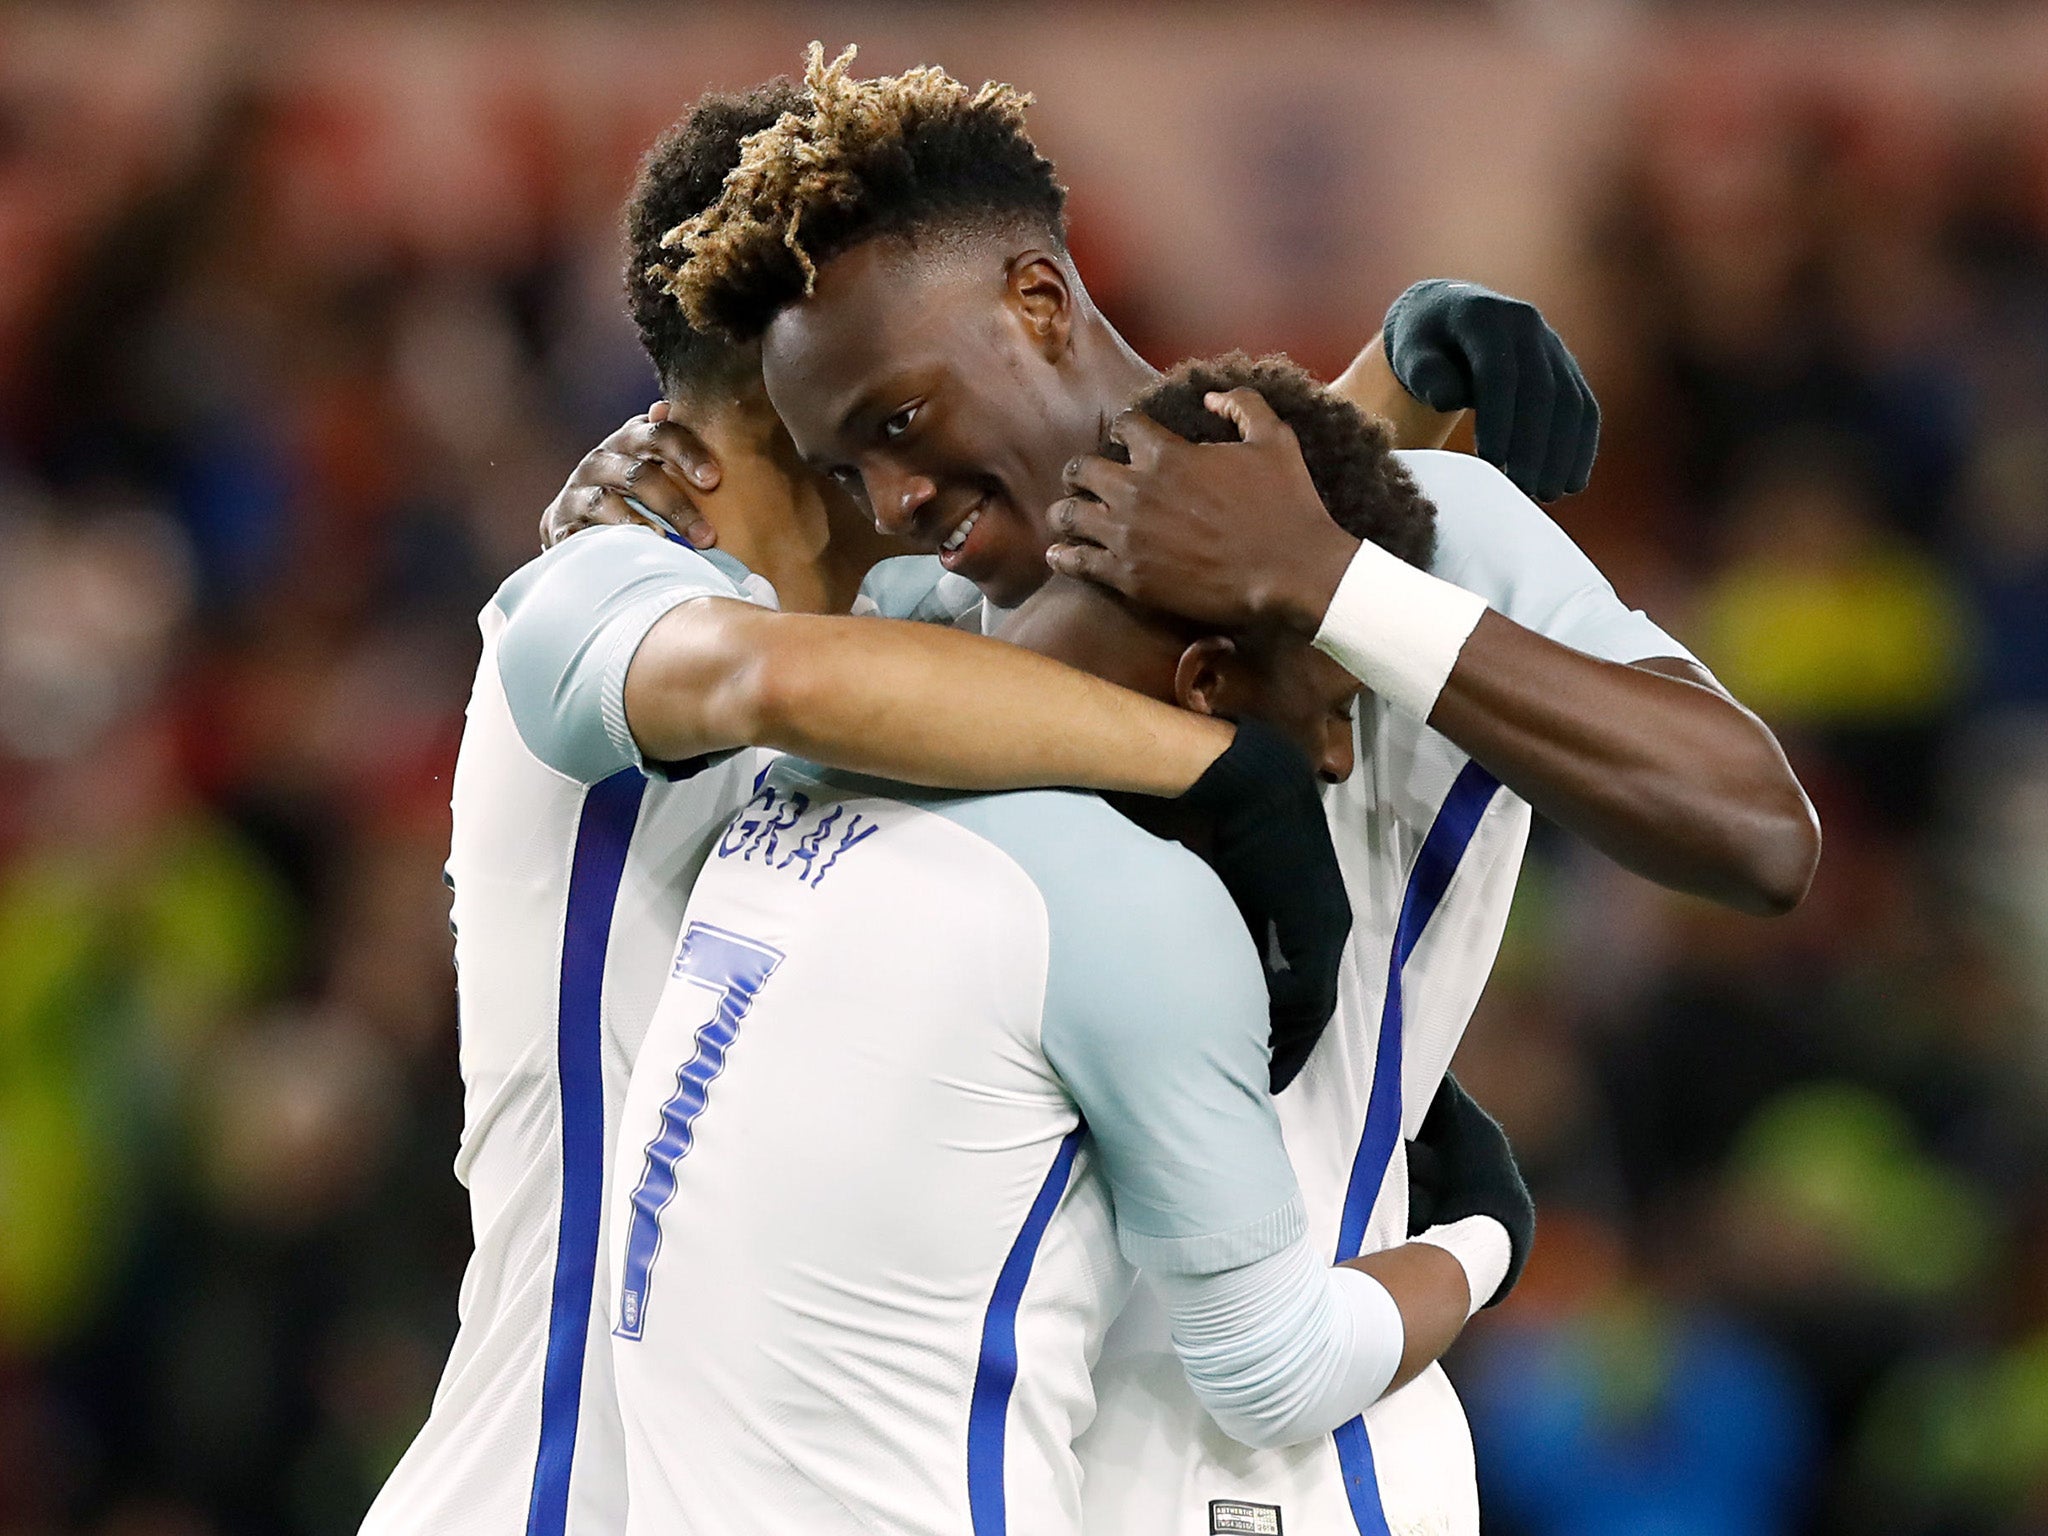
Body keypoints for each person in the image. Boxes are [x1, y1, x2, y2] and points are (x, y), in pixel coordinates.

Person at [356, 80, 1588, 1536]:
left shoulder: (913, 638)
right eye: (865, 436)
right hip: (557, 1488)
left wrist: (1378, 385)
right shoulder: (596, 600)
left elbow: (1146, 561)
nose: (907, 491)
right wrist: (1211, 770)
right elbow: (771, 680)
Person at [652, 45, 1822, 1535]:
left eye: (899, 423)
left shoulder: (1406, 535)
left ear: (1039, 304)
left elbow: (1755, 831)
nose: (895, 502)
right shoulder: (922, 624)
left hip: (1279, 1469)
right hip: (988, 1469)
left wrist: (1330, 581)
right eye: (846, 467)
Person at [603, 360, 1534, 1536]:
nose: (1340, 763)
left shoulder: (795, 778)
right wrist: (1480, 1236)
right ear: (1203, 684)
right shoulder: (1134, 909)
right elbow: (1272, 1369)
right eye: (1337, 706)